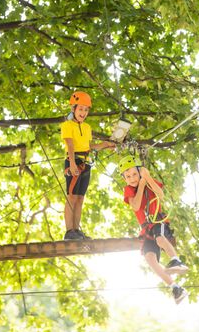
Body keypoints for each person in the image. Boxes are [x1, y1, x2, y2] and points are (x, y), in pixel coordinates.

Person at [118, 155, 189, 304]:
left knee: (160, 238)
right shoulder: (129, 190)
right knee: (150, 259)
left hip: (157, 219)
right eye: (128, 176)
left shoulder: (148, 182)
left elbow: (160, 195)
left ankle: (176, 260)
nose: (132, 178)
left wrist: (147, 178)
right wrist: (141, 184)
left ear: (140, 172)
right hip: (146, 229)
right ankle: (176, 288)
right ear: (125, 179)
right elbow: (136, 206)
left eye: (134, 174)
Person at [61, 91, 115, 240]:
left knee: (80, 198)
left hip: (85, 163)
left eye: (86, 110)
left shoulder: (87, 128)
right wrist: (72, 163)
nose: (83, 113)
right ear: (74, 109)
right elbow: (70, 145)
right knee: (71, 197)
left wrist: (104, 145)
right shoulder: (67, 125)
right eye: (80, 109)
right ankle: (69, 231)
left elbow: (89, 146)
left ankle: (76, 231)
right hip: (74, 161)